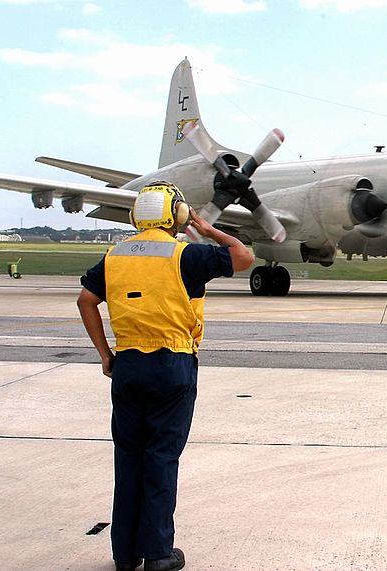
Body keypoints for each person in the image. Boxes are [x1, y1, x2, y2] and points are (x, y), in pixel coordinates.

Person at [77, 180, 254, 571]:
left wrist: (106, 355)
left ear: (135, 215)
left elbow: (86, 300)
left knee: (128, 457)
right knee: (160, 457)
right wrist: (207, 228)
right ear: (177, 214)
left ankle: (125, 554)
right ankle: (158, 552)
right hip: (171, 363)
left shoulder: (113, 256)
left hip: (127, 363)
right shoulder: (186, 255)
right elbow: (243, 257)